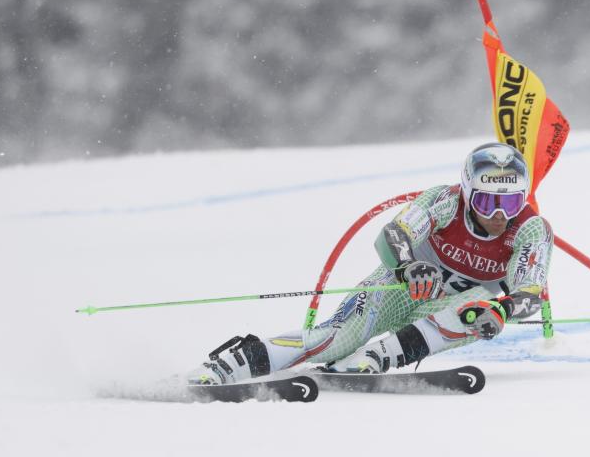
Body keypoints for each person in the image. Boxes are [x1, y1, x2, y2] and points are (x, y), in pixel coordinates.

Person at [187, 141, 553, 384]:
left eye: (512, 202)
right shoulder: (445, 201)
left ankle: (374, 358)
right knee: (334, 339)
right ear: (469, 192)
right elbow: (393, 235)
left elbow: (530, 291)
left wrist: (504, 310)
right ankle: (230, 365)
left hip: (452, 304)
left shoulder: (531, 230)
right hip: (405, 288)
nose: (500, 215)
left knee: (477, 311)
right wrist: (409, 265)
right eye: (489, 202)